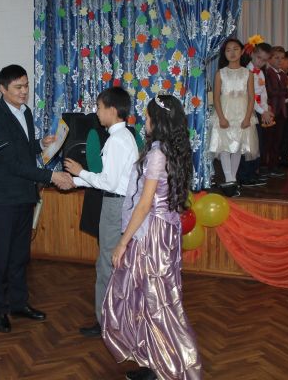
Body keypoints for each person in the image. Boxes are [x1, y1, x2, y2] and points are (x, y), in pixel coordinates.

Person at [102, 95, 201, 380]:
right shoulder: (172, 149)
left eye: (147, 117)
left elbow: (145, 204)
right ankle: (153, 361)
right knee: (145, 299)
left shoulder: (158, 154)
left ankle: (179, 365)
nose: (144, 122)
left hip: (152, 235)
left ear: (158, 121)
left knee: (158, 302)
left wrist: (123, 242)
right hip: (163, 230)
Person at [0, 64, 73, 334]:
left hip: (24, 194)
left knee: (20, 255)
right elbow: (12, 164)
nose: (24, 92)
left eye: (26, 85)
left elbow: (20, 148)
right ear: (2, 89)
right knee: (2, 256)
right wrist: (51, 176)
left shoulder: (25, 111)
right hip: (3, 198)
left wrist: (39, 144)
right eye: (18, 87)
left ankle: (19, 303)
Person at [63, 87, 139, 337]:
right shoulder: (124, 136)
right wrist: (76, 181)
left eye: (99, 107)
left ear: (112, 110)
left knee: (106, 264)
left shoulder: (116, 140)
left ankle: (105, 322)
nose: (96, 112)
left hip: (115, 206)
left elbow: (108, 182)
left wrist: (80, 173)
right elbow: (112, 179)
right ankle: (116, 318)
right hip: (120, 203)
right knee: (114, 263)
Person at [209, 38, 258, 197]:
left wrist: (247, 117)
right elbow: (216, 98)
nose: (232, 52)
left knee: (237, 146)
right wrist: (221, 117)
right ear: (224, 53)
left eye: (235, 49)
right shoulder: (220, 73)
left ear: (242, 51)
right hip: (225, 112)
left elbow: (251, 97)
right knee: (224, 146)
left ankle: (232, 180)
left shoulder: (248, 74)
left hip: (242, 113)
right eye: (228, 50)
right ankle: (230, 180)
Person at [237, 41, 273, 187]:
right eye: (259, 58)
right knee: (248, 145)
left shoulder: (261, 73)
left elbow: (263, 93)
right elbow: (249, 97)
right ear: (252, 54)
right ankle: (244, 176)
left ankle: (253, 173)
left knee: (257, 144)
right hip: (248, 112)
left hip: (258, 111)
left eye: (264, 60)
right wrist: (262, 111)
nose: (260, 62)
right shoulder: (246, 72)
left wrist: (266, 109)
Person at [264, 46, 288, 176]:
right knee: (269, 140)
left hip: (281, 111)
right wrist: (287, 88)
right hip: (271, 110)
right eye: (277, 58)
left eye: (282, 58)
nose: (280, 61)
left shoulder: (283, 74)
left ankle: (274, 165)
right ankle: (266, 166)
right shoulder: (267, 73)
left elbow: (284, 95)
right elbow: (271, 92)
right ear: (269, 59)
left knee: (278, 140)